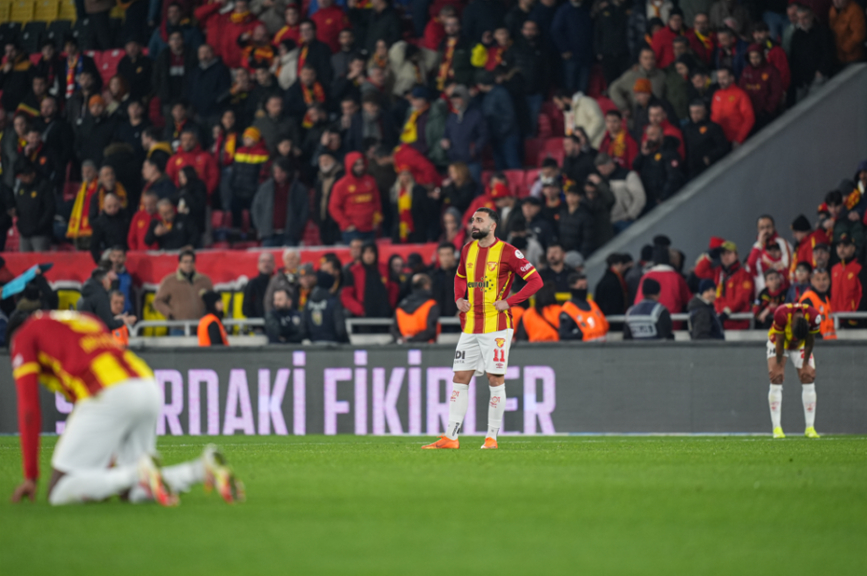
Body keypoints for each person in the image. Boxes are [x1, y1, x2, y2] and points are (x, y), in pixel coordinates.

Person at [6, 309, 243, 505]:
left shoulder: (23, 336)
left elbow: (28, 407)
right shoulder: (84, 319)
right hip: (146, 384)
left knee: (59, 491)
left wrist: (31, 476)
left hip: (108, 393)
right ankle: (201, 470)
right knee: (133, 492)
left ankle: (139, 471)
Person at [422, 208, 543, 450]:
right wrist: (459, 298)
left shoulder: (508, 252)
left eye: (479, 220)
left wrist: (510, 301)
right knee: (460, 377)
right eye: (472, 220)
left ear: (493, 225)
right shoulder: (468, 249)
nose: (473, 224)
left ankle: (491, 438)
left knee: (495, 378)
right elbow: (460, 276)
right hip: (470, 325)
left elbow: (535, 281)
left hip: (496, 326)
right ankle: (451, 437)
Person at [766, 302, 822, 438]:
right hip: (778, 342)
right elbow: (780, 342)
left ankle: (810, 428)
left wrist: (805, 362)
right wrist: (779, 364)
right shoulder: (781, 314)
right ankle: (776, 428)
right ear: (790, 325)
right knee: (776, 377)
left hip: (801, 345)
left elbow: (810, 341)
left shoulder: (814, 317)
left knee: (808, 376)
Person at [694, 239, 755, 329]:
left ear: (737, 255)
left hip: (737, 325)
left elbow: (741, 299)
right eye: (723, 254)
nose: (726, 257)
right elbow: (699, 272)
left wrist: (726, 312)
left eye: (729, 253)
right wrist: (709, 257)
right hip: (719, 323)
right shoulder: (718, 272)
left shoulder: (744, 275)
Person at [251, 157, 309, 247]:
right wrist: (262, 227)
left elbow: (304, 211)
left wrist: (297, 227)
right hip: (269, 236)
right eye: (275, 172)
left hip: (290, 236)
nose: (278, 175)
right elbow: (256, 209)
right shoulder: (265, 188)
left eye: (281, 172)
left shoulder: (299, 189)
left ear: (288, 172)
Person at [328, 151, 382, 244]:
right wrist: (346, 224)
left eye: (361, 164)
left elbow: (377, 202)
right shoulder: (341, 185)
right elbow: (333, 207)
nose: (360, 167)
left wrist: (376, 221)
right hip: (352, 231)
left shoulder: (370, 180)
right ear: (350, 165)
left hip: (370, 229)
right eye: (356, 165)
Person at [153, 250, 214, 326]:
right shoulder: (169, 281)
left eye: (191, 261)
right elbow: (158, 301)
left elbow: (213, 300)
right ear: (179, 263)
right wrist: (170, 313)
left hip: (201, 325)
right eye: (185, 262)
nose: (188, 264)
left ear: (194, 263)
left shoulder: (204, 280)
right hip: (178, 326)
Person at [341, 242, 399, 319]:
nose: (368, 255)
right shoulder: (353, 271)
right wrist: (359, 310)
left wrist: (390, 306)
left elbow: (394, 289)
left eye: (371, 252)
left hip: (385, 313)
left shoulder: (385, 269)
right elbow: (346, 295)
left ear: (376, 253)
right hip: (363, 315)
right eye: (365, 252)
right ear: (362, 254)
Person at [9, 159, 55, 252]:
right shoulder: (22, 187)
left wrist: (39, 226)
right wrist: (16, 212)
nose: (22, 179)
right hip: (24, 233)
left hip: (40, 234)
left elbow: (50, 209)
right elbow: (19, 203)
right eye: (21, 176)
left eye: (25, 176)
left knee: (39, 260)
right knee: (24, 260)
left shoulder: (44, 185)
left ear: (33, 174)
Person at [683, 100, 730, 179]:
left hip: (712, 168)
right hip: (694, 170)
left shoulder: (713, 127)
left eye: (697, 112)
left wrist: (710, 157)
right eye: (692, 112)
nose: (694, 115)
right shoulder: (687, 129)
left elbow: (723, 147)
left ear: (705, 111)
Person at [391, 273, 441, 344]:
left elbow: (393, 329)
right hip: (426, 346)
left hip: (403, 346)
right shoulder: (431, 304)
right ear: (426, 286)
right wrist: (412, 340)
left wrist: (402, 339)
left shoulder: (401, 305)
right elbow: (431, 330)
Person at [710, 67, 754, 146]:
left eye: (724, 78)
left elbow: (749, 118)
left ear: (731, 78)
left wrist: (739, 139)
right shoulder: (717, 94)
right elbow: (713, 117)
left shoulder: (740, 94)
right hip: (720, 142)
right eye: (719, 78)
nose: (720, 81)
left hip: (736, 141)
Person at [559, 273, 609, 342]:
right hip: (583, 348)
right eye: (580, 287)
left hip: (602, 346)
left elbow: (605, 325)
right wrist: (578, 335)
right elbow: (564, 334)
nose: (584, 289)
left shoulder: (592, 304)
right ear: (572, 287)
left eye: (585, 286)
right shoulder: (567, 309)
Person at [830, 235, 865, 329]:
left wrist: (856, 316)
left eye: (845, 246)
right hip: (835, 318)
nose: (841, 250)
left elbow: (863, 294)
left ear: (853, 248)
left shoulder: (859, 268)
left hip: (853, 319)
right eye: (839, 246)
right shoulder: (834, 269)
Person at [304, 271, 348, 343]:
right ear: (330, 285)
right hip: (333, 345)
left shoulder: (308, 303)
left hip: (313, 344)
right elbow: (340, 329)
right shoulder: (333, 303)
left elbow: (303, 329)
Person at [89, 193, 129, 264]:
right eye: (109, 207)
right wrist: (99, 262)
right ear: (104, 206)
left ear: (119, 204)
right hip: (109, 255)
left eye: (115, 206)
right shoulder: (100, 222)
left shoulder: (126, 216)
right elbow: (94, 245)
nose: (113, 209)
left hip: (126, 254)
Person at [799, 268, 836, 340]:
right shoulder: (807, 299)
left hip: (830, 343)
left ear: (829, 281)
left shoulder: (825, 297)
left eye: (824, 279)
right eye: (818, 279)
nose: (821, 283)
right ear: (812, 281)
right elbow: (807, 327)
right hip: (818, 344)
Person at [594, 253, 630, 324]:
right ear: (618, 264)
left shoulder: (605, 280)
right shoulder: (615, 281)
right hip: (615, 320)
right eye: (622, 264)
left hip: (607, 318)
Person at [829, 0, 866, 66]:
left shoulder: (854, 10)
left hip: (855, 56)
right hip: (839, 57)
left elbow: (859, 33)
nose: (836, 1)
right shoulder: (832, 12)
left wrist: (846, 47)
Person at [265, 249, 301, 314]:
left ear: (299, 260)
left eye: (293, 258)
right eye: (288, 259)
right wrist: (270, 315)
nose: (290, 261)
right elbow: (268, 300)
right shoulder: (276, 279)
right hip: (280, 315)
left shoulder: (304, 278)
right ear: (284, 261)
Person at [243, 252, 276, 320]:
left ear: (274, 265)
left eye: (269, 261)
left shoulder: (278, 283)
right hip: (257, 323)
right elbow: (246, 308)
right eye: (263, 261)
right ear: (258, 265)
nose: (266, 264)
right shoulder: (252, 283)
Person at [431, 242, 459, 319]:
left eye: (448, 254)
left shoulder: (463, 274)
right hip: (438, 319)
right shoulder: (434, 276)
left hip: (459, 320)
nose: (445, 258)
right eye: (442, 255)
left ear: (454, 255)